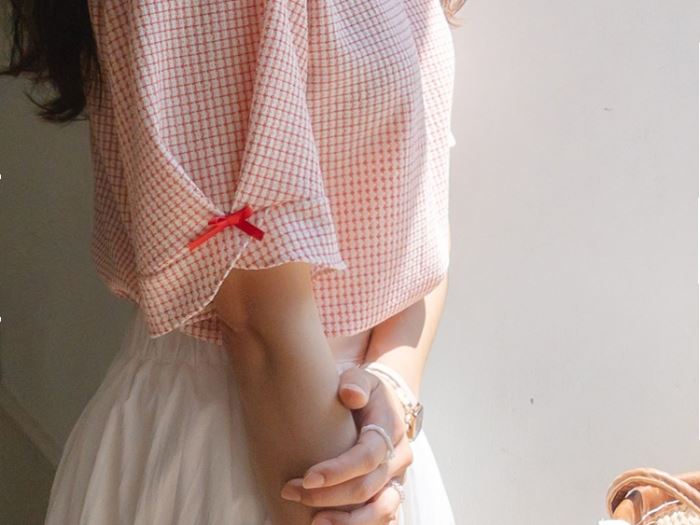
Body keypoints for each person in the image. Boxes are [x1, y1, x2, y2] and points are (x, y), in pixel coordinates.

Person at [2, 0, 463, 523]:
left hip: (371, 452)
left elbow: (419, 214)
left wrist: (393, 389)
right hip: (250, 446)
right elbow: (259, 323)